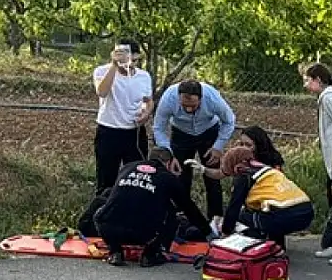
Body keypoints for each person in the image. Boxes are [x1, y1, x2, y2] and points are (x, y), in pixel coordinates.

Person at [92, 147, 212, 267]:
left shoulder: (127, 167)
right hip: (144, 235)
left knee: (103, 211)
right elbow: (188, 207)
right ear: (168, 163)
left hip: (111, 230)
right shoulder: (167, 178)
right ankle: (151, 254)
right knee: (170, 210)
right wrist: (207, 232)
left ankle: (115, 251)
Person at [152, 79, 236, 218]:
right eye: (184, 106)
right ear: (178, 98)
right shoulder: (168, 99)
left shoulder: (212, 98)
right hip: (181, 133)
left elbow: (229, 121)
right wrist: (169, 154)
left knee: (212, 179)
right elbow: (158, 128)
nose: (188, 109)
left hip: (208, 131)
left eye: (193, 106)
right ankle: (181, 217)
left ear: (201, 99)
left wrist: (218, 146)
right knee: (180, 178)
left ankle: (215, 219)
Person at [302, 63, 332, 266]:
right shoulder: (329, 97)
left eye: (307, 80)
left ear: (318, 80)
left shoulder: (330, 97)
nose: (305, 85)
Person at [219, 145, 314, 248]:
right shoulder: (268, 170)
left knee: (242, 216)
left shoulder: (244, 174)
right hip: (306, 212)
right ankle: (278, 248)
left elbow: (234, 207)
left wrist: (226, 232)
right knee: (270, 211)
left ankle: (256, 248)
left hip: (285, 216)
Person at [92, 39, 154, 194]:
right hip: (109, 131)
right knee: (106, 178)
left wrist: (146, 113)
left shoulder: (144, 76)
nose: (125, 61)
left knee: (138, 177)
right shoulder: (102, 71)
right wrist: (114, 65)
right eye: (119, 54)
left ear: (136, 57)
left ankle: (133, 210)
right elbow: (102, 92)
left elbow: (148, 100)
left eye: (128, 57)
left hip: (134, 132)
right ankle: (104, 211)